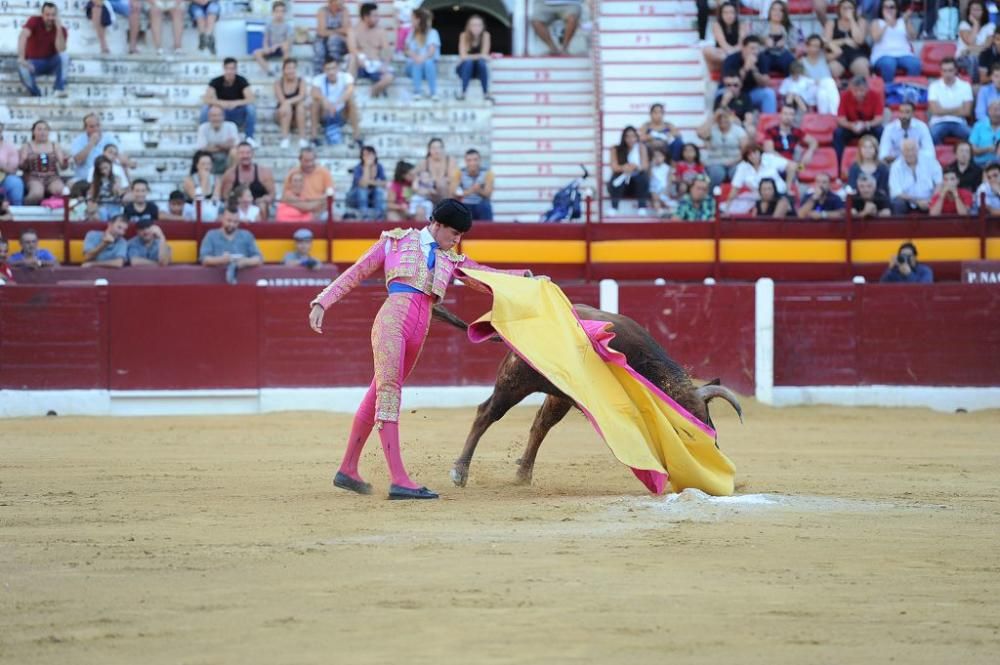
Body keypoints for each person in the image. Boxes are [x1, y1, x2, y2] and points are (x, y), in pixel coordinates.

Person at [307, 199, 533, 500]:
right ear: (436, 224)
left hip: (418, 330)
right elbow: (357, 271)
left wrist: (525, 279)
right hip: (392, 323)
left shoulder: (450, 258)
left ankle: (348, 469)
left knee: (379, 392)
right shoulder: (396, 240)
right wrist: (323, 301)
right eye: (453, 233)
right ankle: (399, 480)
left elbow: (483, 276)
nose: (457, 240)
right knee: (388, 395)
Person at [199, 204, 263, 284]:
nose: (232, 224)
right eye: (229, 221)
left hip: (244, 281)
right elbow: (204, 259)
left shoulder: (247, 236)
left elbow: (259, 258)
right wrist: (221, 260)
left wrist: (245, 262)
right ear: (222, 219)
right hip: (215, 281)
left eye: (235, 222)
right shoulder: (211, 235)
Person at [17, 2, 69, 98]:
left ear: (56, 16)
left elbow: (60, 49)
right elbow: (23, 36)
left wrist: (58, 29)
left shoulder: (62, 30)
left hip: (51, 62)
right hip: (34, 63)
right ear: (42, 14)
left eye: (53, 15)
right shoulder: (34, 21)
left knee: (65, 56)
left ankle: (59, 89)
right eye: (47, 15)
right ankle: (36, 94)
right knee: (22, 68)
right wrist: (22, 58)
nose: (50, 18)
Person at [833, 76, 885, 170]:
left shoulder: (875, 96)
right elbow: (840, 119)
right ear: (851, 89)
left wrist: (866, 125)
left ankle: (880, 163)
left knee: (880, 131)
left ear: (867, 88)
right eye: (855, 91)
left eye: (861, 90)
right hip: (851, 127)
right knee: (838, 133)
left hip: (868, 126)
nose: (858, 93)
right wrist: (851, 126)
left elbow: (879, 118)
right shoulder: (845, 96)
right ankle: (839, 165)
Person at [200, 59, 257, 144]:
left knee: (251, 108)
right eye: (228, 68)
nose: (230, 71)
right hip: (221, 113)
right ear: (224, 68)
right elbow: (206, 99)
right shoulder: (216, 81)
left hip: (237, 113)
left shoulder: (241, 81)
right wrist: (221, 103)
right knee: (205, 109)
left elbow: (251, 98)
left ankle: (249, 138)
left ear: (236, 69)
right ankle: (204, 136)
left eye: (232, 68)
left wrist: (235, 103)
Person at [727, 143, 794, 213]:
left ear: (760, 152)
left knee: (782, 203)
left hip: (780, 194)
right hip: (760, 198)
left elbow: (796, 167)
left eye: (755, 153)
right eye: (749, 154)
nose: (753, 156)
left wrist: (788, 188)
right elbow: (735, 188)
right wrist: (727, 208)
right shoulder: (742, 167)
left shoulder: (769, 158)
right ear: (746, 157)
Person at [311, 57, 361, 147]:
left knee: (351, 101)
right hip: (325, 113)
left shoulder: (346, 77)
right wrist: (325, 101)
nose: (331, 72)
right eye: (328, 69)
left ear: (338, 68)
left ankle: (357, 137)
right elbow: (314, 92)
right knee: (315, 103)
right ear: (324, 70)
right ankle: (314, 138)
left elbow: (350, 90)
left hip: (341, 112)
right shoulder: (318, 79)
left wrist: (337, 103)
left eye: (333, 68)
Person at [720, 35, 777, 115]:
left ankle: (769, 125)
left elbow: (765, 83)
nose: (755, 51)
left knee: (769, 93)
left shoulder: (761, 58)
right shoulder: (731, 60)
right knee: (724, 94)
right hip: (731, 91)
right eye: (752, 48)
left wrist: (754, 70)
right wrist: (745, 68)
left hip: (750, 93)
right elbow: (729, 83)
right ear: (743, 48)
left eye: (757, 48)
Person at [352, 3, 396, 99]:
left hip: (376, 66)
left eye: (377, 15)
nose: (378, 18)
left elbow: (386, 51)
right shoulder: (354, 31)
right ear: (366, 17)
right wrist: (360, 58)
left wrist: (385, 64)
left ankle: (373, 90)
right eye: (375, 16)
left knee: (389, 77)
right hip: (361, 66)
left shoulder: (381, 31)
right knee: (353, 59)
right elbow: (352, 49)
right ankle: (350, 91)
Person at [19, 120, 68, 206]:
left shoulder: (54, 145)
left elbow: (63, 166)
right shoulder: (27, 146)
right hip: (33, 177)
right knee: (37, 194)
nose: (42, 132)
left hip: (52, 177)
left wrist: (65, 161)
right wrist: (24, 161)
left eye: (45, 129)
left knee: (62, 191)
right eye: (39, 129)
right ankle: (23, 211)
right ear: (33, 132)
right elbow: (21, 167)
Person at [220, 142, 276, 217]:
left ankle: (262, 228)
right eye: (242, 153)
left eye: (248, 153)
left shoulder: (264, 172)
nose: (245, 156)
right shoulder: (230, 174)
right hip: (237, 207)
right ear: (237, 155)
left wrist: (264, 199)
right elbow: (225, 196)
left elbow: (272, 194)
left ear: (253, 154)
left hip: (258, 207)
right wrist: (238, 202)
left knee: (263, 205)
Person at [889, 139, 943, 214]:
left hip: (930, 198)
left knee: (941, 199)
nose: (910, 153)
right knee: (897, 203)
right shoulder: (896, 166)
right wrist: (917, 201)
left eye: (913, 149)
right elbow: (896, 192)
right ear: (901, 152)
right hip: (908, 201)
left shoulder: (929, 159)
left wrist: (933, 200)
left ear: (918, 149)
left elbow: (939, 182)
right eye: (907, 150)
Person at [870, 1, 920, 83]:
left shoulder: (903, 21)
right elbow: (876, 38)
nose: (889, 10)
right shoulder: (876, 22)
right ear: (881, 9)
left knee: (915, 64)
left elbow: (913, 37)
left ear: (897, 9)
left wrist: (906, 21)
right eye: (885, 7)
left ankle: (910, 90)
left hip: (904, 54)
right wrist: (887, 23)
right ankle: (889, 90)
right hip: (883, 55)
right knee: (889, 64)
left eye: (892, 7)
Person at [928, 58, 974, 145]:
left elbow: (967, 112)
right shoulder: (933, 86)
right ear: (941, 71)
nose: (947, 74)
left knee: (973, 137)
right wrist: (958, 109)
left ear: (955, 70)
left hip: (959, 122)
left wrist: (942, 110)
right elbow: (935, 111)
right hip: (938, 122)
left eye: (950, 70)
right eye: (944, 71)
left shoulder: (965, 86)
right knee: (930, 137)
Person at [698, 108, 749, 187]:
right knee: (717, 173)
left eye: (725, 117)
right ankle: (712, 196)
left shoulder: (738, 130)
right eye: (720, 118)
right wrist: (713, 118)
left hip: (735, 161)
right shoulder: (712, 129)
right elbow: (700, 133)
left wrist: (733, 161)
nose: (722, 120)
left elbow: (745, 150)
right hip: (715, 161)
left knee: (736, 173)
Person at [70, 113, 126, 183]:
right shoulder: (78, 140)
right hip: (84, 179)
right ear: (85, 128)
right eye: (92, 126)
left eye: (98, 125)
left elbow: (119, 156)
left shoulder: (110, 138)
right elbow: (78, 161)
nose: (96, 129)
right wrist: (91, 143)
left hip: (107, 178)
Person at [607, 126, 650, 216]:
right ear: (623, 138)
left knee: (643, 177)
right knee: (616, 177)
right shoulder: (615, 149)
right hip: (622, 185)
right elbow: (614, 167)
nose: (631, 139)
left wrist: (635, 167)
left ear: (636, 137)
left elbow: (645, 166)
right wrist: (624, 167)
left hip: (636, 185)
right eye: (627, 136)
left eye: (633, 136)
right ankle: (614, 207)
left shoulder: (641, 147)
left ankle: (641, 206)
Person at [282, 148, 334, 219]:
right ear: (300, 160)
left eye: (312, 160)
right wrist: (320, 200)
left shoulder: (324, 173)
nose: (310, 164)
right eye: (306, 161)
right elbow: (286, 196)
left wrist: (313, 211)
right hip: (297, 211)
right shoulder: (293, 173)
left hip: (319, 212)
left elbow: (330, 196)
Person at [824, 0, 871, 79]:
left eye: (850, 8)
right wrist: (845, 41)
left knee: (862, 67)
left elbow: (859, 40)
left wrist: (851, 19)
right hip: (838, 53)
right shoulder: (831, 23)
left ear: (854, 10)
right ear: (839, 10)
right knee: (832, 69)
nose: (847, 10)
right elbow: (826, 43)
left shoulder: (861, 21)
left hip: (857, 52)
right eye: (844, 8)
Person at [799, 34, 842, 115]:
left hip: (825, 90)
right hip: (811, 90)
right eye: (814, 46)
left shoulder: (823, 57)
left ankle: (825, 118)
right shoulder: (802, 62)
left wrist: (827, 42)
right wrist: (814, 81)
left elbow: (839, 52)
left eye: (818, 46)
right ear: (807, 46)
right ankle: (836, 114)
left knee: (823, 94)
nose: (816, 49)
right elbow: (801, 81)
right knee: (829, 81)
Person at [405, 8, 441, 100]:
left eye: (412, 18)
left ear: (419, 19)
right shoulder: (411, 33)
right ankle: (417, 92)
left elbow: (431, 52)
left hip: (428, 68)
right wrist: (415, 57)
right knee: (417, 63)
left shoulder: (433, 33)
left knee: (428, 62)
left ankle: (433, 93)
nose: (411, 20)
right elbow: (406, 50)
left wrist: (421, 58)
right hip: (413, 67)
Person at [274, 59, 309, 150]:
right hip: (282, 114)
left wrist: (289, 102)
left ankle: (302, 138)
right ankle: (285, 138)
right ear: (284, 70)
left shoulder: (301, 81)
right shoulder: (278, 83)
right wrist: (287, 103)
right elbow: (282, 100)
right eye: (288, 68)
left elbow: (302, 96)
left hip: (298, 116)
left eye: (293, 68)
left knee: (300, 106)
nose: (291, 71)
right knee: (287, 107)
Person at [456, 14, 491, 102]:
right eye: (474, 25)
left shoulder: (486, 35)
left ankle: (485, 93)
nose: (476, 27)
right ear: (469, 26)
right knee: (468, 62)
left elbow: (485, 54)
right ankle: (463, 93)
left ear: (483, 26)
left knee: (481, 63)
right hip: (464, 70)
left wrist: (473, 57)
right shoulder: (463, 35)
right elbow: (463, 56)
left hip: (478, 70)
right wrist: (480, 56)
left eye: (479, 25)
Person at [703, 3, 748, 71]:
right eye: (725, 13)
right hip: (723, 54)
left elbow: (741, 44)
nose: (729, 15)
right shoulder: (716, 25)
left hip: (737, 53)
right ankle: (712, 75)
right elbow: (723, 44)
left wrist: (732, 54)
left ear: (735, 14)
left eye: (731, 12)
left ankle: (730, 63)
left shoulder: (742, 25)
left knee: (749, 52)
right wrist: (729, 54)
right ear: (721, 15)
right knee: (707, 50)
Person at [957, 1, 994, 82]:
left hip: (982, 57)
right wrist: (975, 24)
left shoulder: (990, 26)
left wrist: (970, 49)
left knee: (982, 58)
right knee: (972, 59)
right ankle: (975, 83)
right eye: (973, 9)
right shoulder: (963, 25)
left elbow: (988, 45)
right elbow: (970, 41)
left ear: (984, 12)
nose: (975, 12)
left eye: (978, 10)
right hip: (963, 58)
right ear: (969, 11)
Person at [347, 145, 387, 220]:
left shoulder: (379, 167)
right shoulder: (358, 167)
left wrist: (370, 181)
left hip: (372, 197)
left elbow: (384, 184)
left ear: (374, 155)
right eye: (364, 155)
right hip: (354, 198)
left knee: (378, 190)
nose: (367, 157)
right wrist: (366, 166)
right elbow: (363, 185)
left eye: (369, 154)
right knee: (362, 190)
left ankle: (378, 215)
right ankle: (364, 215)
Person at [757, 1, 797, 77]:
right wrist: (764, 40)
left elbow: (793, 47)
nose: (777, 13)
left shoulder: (790, 27)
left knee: (790, 60)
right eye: (774, 9)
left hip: (782, 54)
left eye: (780, 10)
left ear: (784, 13)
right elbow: (752, 40)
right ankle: (763, 82)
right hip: (765, 54)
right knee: (761, 59)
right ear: (770, 12)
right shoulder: (762, 25)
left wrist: (784, 44)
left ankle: (790, 84)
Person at [452, 148, 494, 221]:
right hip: (465, 204)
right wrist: (471, 190)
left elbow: (488, 194)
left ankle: (487, 231)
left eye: (475, 160)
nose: (472, 163)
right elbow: (453, 193)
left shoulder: (487, 173)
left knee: (485, 206)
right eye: (469, 160)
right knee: (459, 208)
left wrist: (478, 190)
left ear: (480, 160)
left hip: (481, 204)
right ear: (465, 161)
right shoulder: (459, 172)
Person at [314, 0, 353, 73]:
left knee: (333, 39)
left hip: (339, 41)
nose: (342, 3)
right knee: (319, 48)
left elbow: (346, 29)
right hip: (323, 39)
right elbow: (321, 32)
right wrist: (338, 31)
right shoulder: (323, 11)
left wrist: (330, 31)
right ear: (331, 2)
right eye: (339, 2)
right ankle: (318, 75)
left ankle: (334, 71)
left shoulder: (344, 11)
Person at [253, 2, 292, 75]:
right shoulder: (269, 25)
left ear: (284, 13)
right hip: (271, 49)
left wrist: (277, 45)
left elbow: (288, 41)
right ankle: (269, 71)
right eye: (277, 11)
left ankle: (284, 71)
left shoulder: (287, 26)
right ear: (273, 13)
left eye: (282, 11)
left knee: (286, 48)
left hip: (282, 49)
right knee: (256, 52)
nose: (279, 14)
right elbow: (265, 39)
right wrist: (266, 47)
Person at [183, 151, 222, 222]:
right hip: (193, 215)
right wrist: (204, 180)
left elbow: (215, 201)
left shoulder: (216, 180)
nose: (206, 167)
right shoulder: (189, 180)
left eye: (209, 164)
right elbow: (197, 200)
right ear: (197, 165)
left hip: (211, 214)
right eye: (203, 164)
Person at [416, 138, 457, 205]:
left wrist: (435, 182)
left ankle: (445, 209)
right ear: (429, 150)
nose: (436, 151)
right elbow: (418, 179)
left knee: (442, 184)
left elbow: (452, 179)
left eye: (439, 147)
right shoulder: (424, 162)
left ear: (443, 149)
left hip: (446, 193)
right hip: (429, 193)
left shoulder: (450, 161)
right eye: (433, 148)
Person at [88, 155, 126, 222]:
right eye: (101, 169)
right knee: (102, 213)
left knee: (116, 216)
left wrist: (117, 189)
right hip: (101, 205)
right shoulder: (96, 181)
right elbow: (92, 196)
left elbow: (120, 195)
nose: (104, 171)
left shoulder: (117, 178)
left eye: (106, 168)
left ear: (110, 165)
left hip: (114, 204)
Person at [0, 123, 25, 206]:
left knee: (15, 182)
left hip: (3, 179)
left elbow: (13, 170)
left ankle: (17, 212)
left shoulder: (9, 147)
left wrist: (1, 165)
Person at [970, 98, 1000, 166]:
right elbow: (973, 150)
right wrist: (987, 149)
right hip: (979, 164)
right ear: (988, 111)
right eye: (995, 110)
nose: (998, 113)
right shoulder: (979, 126)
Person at [649, 148, 672, 217]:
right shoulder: (651, 168)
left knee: (665, 200)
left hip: (664, 188)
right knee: (656, 200)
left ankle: (670, 211)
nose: (657, 158)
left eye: (659, 156)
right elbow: (650, 178)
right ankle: (659, 211)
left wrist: (666, 190)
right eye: (655, 156)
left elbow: (669, 180)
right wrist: (651, 165)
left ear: (664, 157)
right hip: (654, 189)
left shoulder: (667, 168)